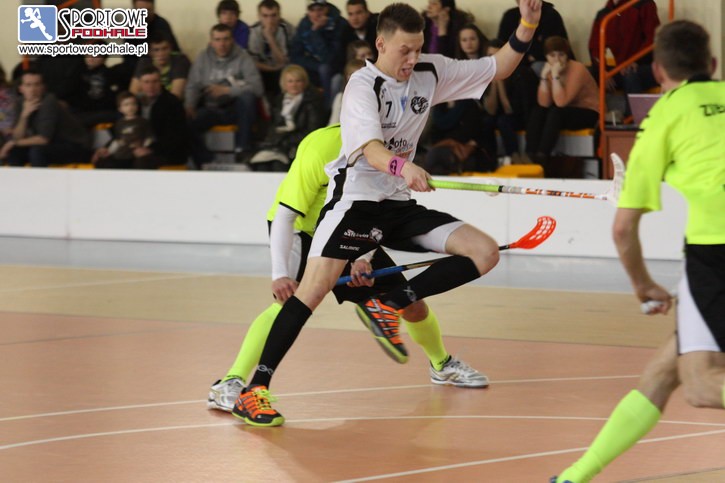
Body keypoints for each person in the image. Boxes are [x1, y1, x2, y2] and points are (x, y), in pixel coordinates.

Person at [231, 0, 543, 427]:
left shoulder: (430, 70)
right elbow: (372, 150)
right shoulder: (362, 86)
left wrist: (527, 23)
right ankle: (254, 390)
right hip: (355, 204)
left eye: (418, 49)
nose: (412, 59)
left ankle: (397, 300)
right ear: (380, 44)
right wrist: (404, 167)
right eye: (404, 51)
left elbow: (499, 67)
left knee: (484, 252)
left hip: (397, 205)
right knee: (313, 291)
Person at [208, 124, 488, 412]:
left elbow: (379, 212)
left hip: (353, 230)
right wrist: (280, 275)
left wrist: (363, 258)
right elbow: (285, 214)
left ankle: (441, 364)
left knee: (411, 303)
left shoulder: (391, 147)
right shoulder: (322, 146)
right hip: (302, 231)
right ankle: (230, 382)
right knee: (288, 304)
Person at [552, 20, 725, 483]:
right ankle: (574, 477)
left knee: (702, 384)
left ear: (658, 70)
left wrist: (643, 284)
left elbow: (623, 229)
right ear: (712, 64)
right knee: (663, 372)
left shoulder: (664, 115)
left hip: (716, 251)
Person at [185, 23, 264, 168]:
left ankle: (242, 149)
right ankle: (206, 161)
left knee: (247, 98)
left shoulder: (243, 57)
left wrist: (227, 90)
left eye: (226, 39)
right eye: (218, 39)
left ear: (232, 40)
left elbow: (257, 88)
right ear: (211, 42)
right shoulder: (203, 58)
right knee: (185, 122)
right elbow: (193, 85)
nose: (222, 44)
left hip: (235, 109)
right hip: (210, 108)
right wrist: (189, 105)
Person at [422, 24, 496, 175]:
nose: (469, 43)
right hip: (452, 140)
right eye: (464, 40)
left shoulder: (486, 67)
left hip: (477, 136)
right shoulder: (454, 70)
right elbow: (440, 121)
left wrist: (469, 144)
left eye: (472, 39)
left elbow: (483, 117)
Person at [524, 36, 599, 176]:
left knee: (556, 112)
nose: (557, 59)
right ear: (546, 57)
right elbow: (543, 103)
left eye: (561, 55)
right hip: (566, 111)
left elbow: (561, 102)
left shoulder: (578, 69)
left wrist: (555, 76)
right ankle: (529, 155)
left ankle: (542, 157)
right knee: (537, 111)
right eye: (552, 55)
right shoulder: (549, 70)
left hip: (589, 112)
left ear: (567, 55)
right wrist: (543, 78)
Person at [1, 69, 90, 167]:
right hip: (50, 144)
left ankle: (40, 178)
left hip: (73, 144)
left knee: (37, 151)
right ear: (21, 89)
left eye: (37, 84)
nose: (33, 89)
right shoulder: (19, 102)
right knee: (14, 152)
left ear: (43, 87)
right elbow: (17, 137)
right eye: (28, 85)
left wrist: (13, 143)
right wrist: (24, 116)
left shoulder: (49, 101)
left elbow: (43, 139)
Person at [588, 0, 659, 116]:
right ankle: (595, 120)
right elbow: (594, 47)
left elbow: (652, 39)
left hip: (640, 66)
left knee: (630, 74)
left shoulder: (643, 4)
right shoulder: (603, 13)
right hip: (613, 70)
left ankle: (634, 121)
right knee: (586, 74)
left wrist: (635, 61)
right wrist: (602, 71)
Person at [248, 65, 326, 171]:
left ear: (305, 83)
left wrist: (285, 140)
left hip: (298, 145)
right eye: (290, 81)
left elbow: (313, 131)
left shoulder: (313, 102)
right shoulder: (278, 100)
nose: (294, 85)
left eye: (298, 81)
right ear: (284, 84)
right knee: (261, 165)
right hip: (278, 144)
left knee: (277, 165)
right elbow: (273, 126)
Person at [483, 38, 537, 166]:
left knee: (503, 120)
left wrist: (500, 82)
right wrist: (494, 83)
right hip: (499, 116)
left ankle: (513, 155)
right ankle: (490, 160)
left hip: (520, 117)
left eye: (497, 55)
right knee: (486, 121)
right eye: (490, 56)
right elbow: (491, 111)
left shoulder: (519, 74)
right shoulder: (485, 74)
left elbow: (509, 110)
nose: (494, 60)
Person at [290, 0, 347, 106]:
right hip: (313, 64)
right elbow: (295, 54)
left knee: (324, 69)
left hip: (335, 66)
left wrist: (315, 32)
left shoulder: (339, 24)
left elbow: (329, 58)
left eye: (320, 10)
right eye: (312, 10)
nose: (316, 14)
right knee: (291, 69)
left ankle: (327, 108)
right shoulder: (304, 23)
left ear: (327, 9)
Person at [497, 0, 570, 77]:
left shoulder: (551, 15)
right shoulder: (510, 16)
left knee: (533, 68)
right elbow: (501, 46)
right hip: (516, 64)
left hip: (546, 63)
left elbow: (554, 50)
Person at [136, 66, 189, 167]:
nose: (151, 86)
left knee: (141, 162)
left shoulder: (172, 103)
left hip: (165, 153)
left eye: (155, 81)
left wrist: (151, 149)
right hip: (137, 148)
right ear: (140, 84)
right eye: (146, 82)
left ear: (160, 82)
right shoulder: (134, 103)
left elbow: (176, 137)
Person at [92, 91, 154, 170]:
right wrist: (108, 150)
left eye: (133, 104)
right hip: (120, 154)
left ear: (137, 106)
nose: (130, 107)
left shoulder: (143, 121)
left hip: (136, 153)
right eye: (126, 105)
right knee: (102, 162)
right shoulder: (119, 123)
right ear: (120, 109)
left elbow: (149, 137)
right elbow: (116, 139)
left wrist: (145, 147)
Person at [247, 0, 296, 99]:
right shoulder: (254, 30)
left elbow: (283, 61)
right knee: (252, 75)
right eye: (265, 16)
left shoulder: (287, 29)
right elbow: (252, 62)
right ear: (259, 16)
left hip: (283, 69)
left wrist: (270, 38)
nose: (270, 20)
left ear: (279, 15)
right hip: (264, 69)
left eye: (274, 15)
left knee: (285, 73)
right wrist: (272, 69)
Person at [130, 33, 191, 100]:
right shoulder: (145, 61)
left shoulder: (180, 60)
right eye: (156, 50)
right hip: (149, 101)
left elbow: (176, 96)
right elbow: (133, 92)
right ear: (149, 52)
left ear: (171, 48)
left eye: (165, 49)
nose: (161, 54)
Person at [328, 58, 365, 125]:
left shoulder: (374, 96)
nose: (355, 78)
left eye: (359, 74)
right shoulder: (340, 97)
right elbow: (333, 122)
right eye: (351, 75)